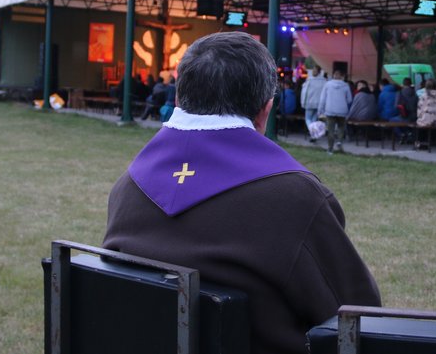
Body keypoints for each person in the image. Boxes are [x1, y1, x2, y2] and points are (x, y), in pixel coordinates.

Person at [103, 32, 380, 354]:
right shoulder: (296, 198)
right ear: (265, 111)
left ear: (178, 100)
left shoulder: (127, 188)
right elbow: (358, 318)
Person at [318, 70, 353, 154]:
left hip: (330, 110)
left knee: (331, 130)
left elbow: (322, 98)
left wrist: (320, 110)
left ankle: (330, 149)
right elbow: (349, 100)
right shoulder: (346, 85)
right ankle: (339, 141)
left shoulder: (327, 85)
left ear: (333, 75)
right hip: (342, 110)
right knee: (341, 126)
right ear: (342, 76)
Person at [301, 66, 328, 140]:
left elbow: (304, 92)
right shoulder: (324, 81)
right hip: (319, 104)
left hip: (309, 103)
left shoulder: (309, 80)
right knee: (313, 120)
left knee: (308, 119)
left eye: (314, 71)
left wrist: (303, 102)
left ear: (318, 72)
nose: (313, 72)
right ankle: (313, 136)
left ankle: (313, 132)